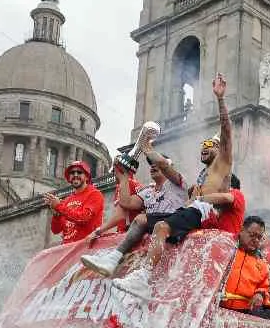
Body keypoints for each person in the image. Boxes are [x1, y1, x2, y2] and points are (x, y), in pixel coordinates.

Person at [84, 73, 232, 296]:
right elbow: (129, 201)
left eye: (210, 145)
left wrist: (220, 99)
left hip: (203, 213)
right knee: (148, 222)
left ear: (220, 149)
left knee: (162, 227)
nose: (204, 147)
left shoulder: (222, 164)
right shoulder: (201, 176)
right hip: (191, 211)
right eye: (203, 144)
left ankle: (143, 278)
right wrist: (128, 172)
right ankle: (116, 259)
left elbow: (226, 131)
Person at [43, 161, 104, 244]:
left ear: (86, 177)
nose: (75, 175)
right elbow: (56, 230)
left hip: (86, 246)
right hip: (67, 247)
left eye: (79, 172)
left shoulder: (95, 194)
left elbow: (84, 218)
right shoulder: (67, 200)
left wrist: (59, 206)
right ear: (69, 178)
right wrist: (56, 215)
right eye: (72, 173)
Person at [221, 215, 270, 313]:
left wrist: (260, 294)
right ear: (242, 229)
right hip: (215, 305)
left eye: (259, 237)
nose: (256, 240)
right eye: (252, 235)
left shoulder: (261, 261)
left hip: (242, 313)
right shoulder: (225, 247)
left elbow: (265, 286)